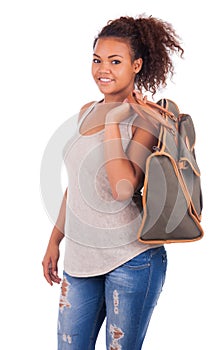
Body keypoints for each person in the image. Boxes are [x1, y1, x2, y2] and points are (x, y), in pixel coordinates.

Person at [42, 14, 184, 349]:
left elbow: (122, 189)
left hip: (131, 258)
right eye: (97, 60)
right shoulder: (86, 111)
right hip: (79, 260)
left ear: (136, 65)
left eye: (115, 61)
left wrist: (113, 125)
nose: (103, 69)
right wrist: (54, 240)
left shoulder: (146, 120)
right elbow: (76, 186)